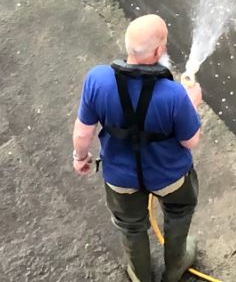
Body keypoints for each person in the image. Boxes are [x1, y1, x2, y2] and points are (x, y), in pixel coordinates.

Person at [72, 14, 203, 282]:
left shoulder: (97, 79)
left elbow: (83, 131)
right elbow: (190, 142)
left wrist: (80, 157)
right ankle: (176, 265)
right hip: (170, 176)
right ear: (157, 50)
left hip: (120, 179)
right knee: (178, 212)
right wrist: (192, 104)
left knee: (130, 226)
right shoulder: (175, 95)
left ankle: (140, 274)